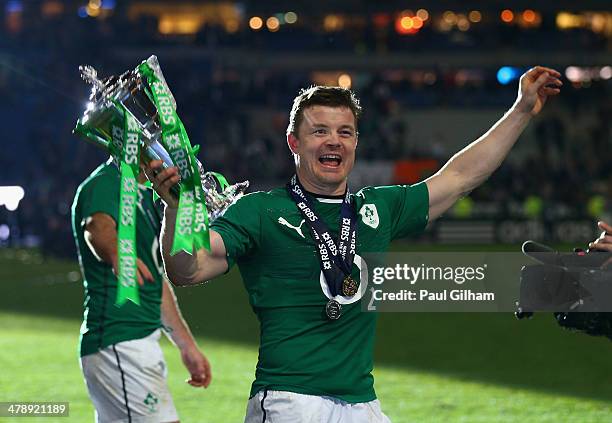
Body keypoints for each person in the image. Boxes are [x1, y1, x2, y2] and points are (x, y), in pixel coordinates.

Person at [145, 66, 561, 422]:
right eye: (319, 131)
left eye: (345, 132)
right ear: (294, 143)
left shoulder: (378, 207)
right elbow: (189, 268)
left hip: (362, 404)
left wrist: (521, 110)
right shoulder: (261, 212)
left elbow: (460, 177)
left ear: (356, 143)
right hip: (292, 402)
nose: (334, 141)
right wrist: (174, 213)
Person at [71, 157, 212, 423]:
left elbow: (155, 281)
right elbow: (97, 227)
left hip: (135, 341)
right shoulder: (105, 182)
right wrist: (116, 251)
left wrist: (186, 346)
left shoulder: (145, 196)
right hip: (119, 341)